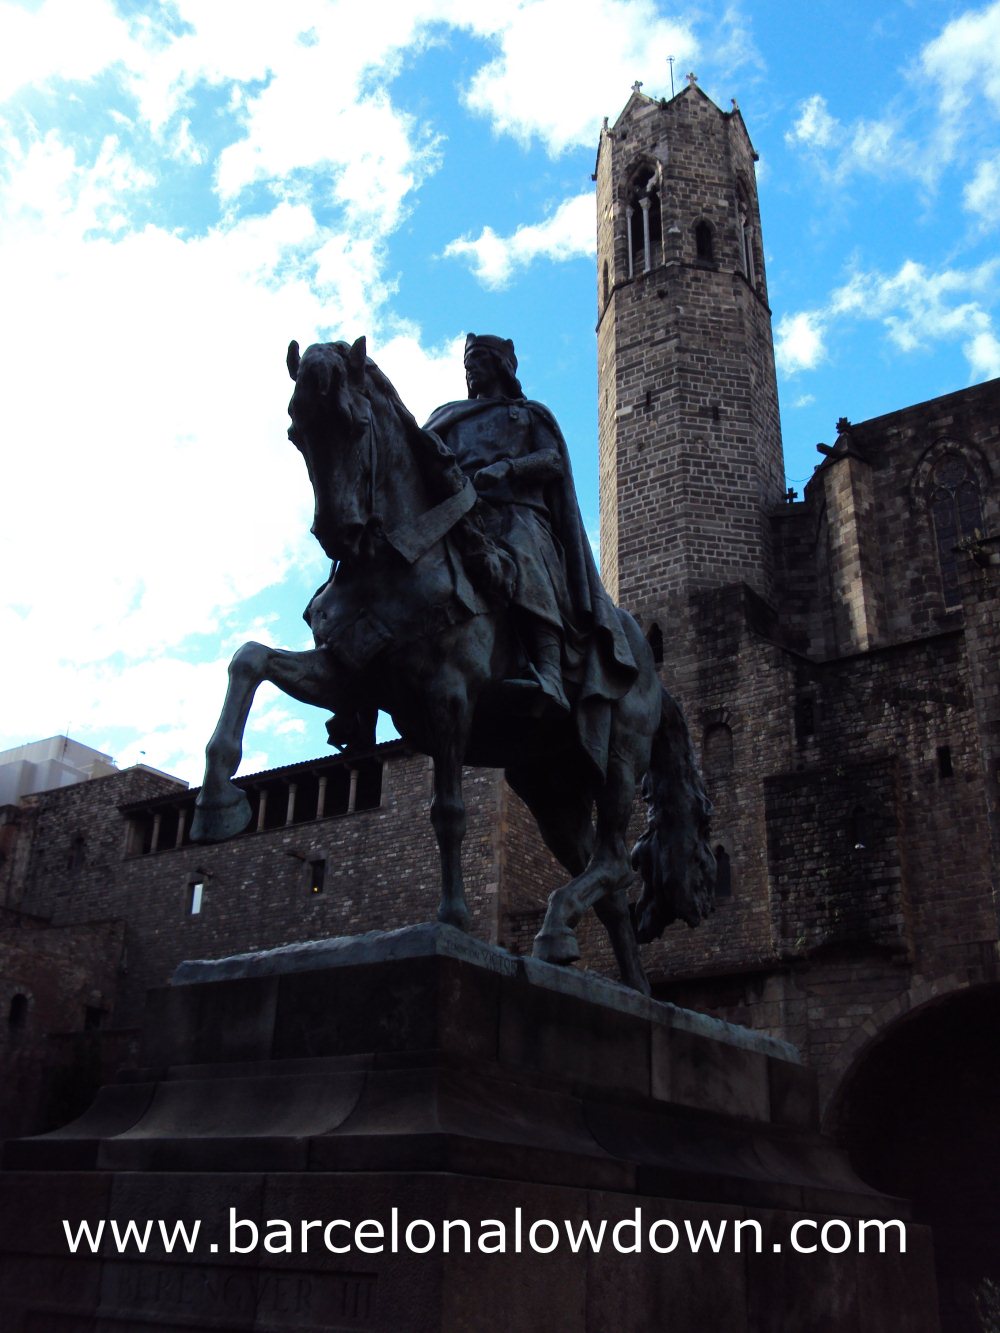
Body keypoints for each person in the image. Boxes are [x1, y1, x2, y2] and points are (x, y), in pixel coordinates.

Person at [424, 335, 637, 752]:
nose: (470, 369)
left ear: (501, 366)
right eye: (467, 363)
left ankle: (550, 671)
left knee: (522, 546)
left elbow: (552, 460)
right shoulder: (450, 418)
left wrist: (507, 469)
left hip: (518, 511)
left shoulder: (528, 415)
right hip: (461, 514)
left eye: (478, 360)